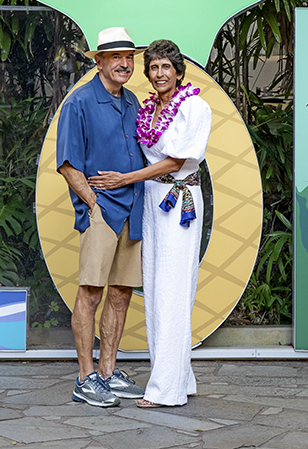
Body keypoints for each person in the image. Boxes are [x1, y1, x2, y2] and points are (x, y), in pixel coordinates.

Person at [88, 39, 212, 408]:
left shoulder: (195, 106)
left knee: (173, 292)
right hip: (152, 202)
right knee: (158, 290)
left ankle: (166, 390)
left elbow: (175, 162)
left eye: (166, 68)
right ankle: (180, 379)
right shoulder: (148, 109)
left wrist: (125, 179)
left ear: (178, 71)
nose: (159, 74)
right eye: (153, 68)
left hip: (180, 202)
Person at [56, 27, 147, 408]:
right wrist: (93, 204)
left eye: (129, 57)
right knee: (91, 292)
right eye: (116, 57)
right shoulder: (79, 103)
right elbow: (67, 165)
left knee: (122, 293)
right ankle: (85, 377)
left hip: (134, 209)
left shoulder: (133, 102)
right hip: (102, 212)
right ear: (99, 61)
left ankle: (108, 371)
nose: (124, 64)